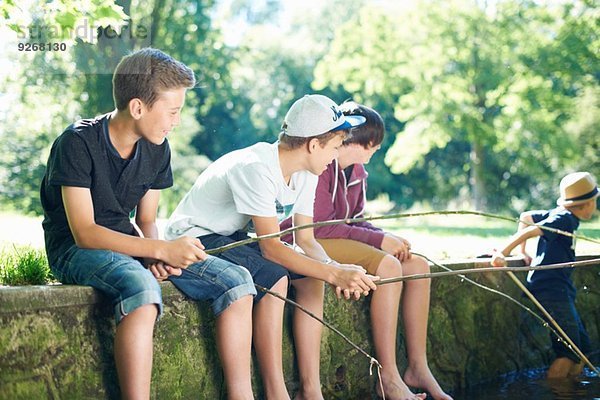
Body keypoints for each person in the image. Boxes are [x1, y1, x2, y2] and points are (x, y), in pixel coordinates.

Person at [40, 48, 256, 400]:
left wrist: (156, 254)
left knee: (237, 280)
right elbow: (85, 231)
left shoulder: (158, 148)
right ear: (138, 107)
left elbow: (147, 220)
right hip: (75, 249)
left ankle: (240, 395)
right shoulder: (77, 143)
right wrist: (157, 249)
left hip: (129, 242)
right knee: (141, 289)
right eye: (173, 111)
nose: (177, 121)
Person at [165, 94, 379, 399]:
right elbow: (272, 250)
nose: (336, 156)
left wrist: (334, 268)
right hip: (198, 237)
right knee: (276, 274)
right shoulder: (257, 167)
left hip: (231, 238)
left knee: (310, 278)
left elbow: (305, 239)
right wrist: (335, 274)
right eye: (334, 147)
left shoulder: (307, 171)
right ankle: (276, 391)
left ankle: (310, 389)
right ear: (313, 145)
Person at [281, 102, 453, 400]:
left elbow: (355, 220)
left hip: (332, 237)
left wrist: (384, 235)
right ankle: (388, 375)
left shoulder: (358, 173)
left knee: (417, 266)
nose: (374, 151)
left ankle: (417, 365)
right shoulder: (322, 166)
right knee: (388, 265)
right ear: (358, 141)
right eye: (372, 145)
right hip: (309, 240)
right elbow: (320, 228)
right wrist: (379, 243)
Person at [491, 171, 598, 379]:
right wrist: (503, 253)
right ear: (585, 204)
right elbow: (532, 230)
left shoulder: (562, 215)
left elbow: (526, 217)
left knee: (582, 348)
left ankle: (572, 389)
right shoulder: (563, 219)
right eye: (595, 201)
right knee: (569, 352)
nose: (596, 205)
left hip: (561, 289)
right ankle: (556, 391)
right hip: (551, 289)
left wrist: (522, 252)